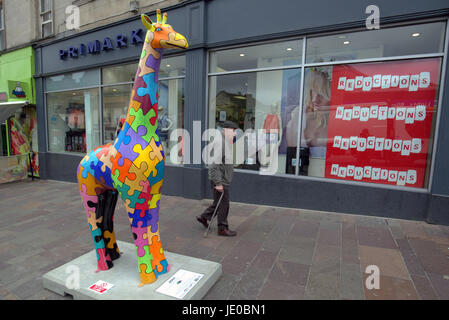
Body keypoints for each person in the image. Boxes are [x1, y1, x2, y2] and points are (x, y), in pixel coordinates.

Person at [196, 120, 238, 236]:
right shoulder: (221, 143)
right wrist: (219, 183)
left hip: (221, 179)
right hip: (220, 180)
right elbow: (213, 166)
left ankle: (204, 217)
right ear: (225, 130)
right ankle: (222, 228)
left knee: (219, 203)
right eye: (233, 131)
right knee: (224, 204)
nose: (235, 133)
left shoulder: (224, 140)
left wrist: (232, 138)